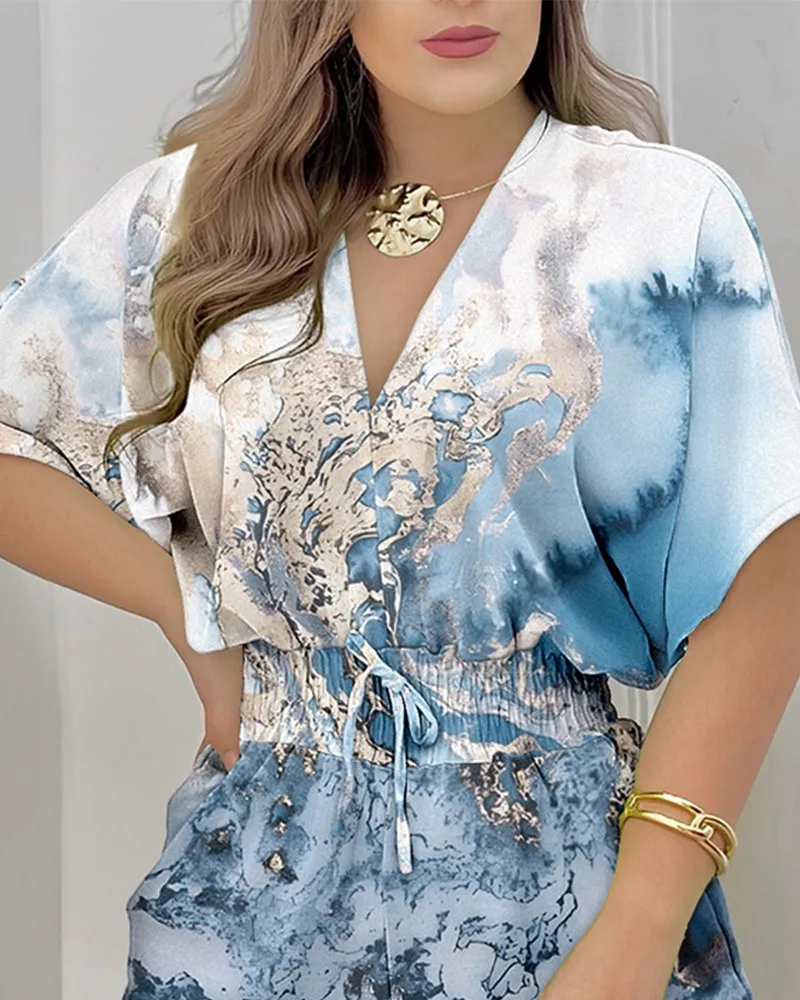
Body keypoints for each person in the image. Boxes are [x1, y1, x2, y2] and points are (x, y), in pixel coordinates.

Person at [1, 0, 799, 997]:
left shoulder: (659, 216)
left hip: (560, 891)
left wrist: (639, 927)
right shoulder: (195, 210)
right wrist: (185, 610)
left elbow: (762, 579)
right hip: (250, 890)